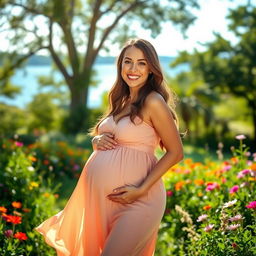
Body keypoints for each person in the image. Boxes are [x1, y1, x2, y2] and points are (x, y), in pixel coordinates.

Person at [34, 38, 183, 256]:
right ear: (120, 65)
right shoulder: (120, 100)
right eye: (127, 61)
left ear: (151, 68)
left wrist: (141, 189)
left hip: (139, 199)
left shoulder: (153, 101)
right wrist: (96, 141)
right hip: (101, 203)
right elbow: (109, 135)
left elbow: (176, 152)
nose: (133, 69)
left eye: (141, 63)